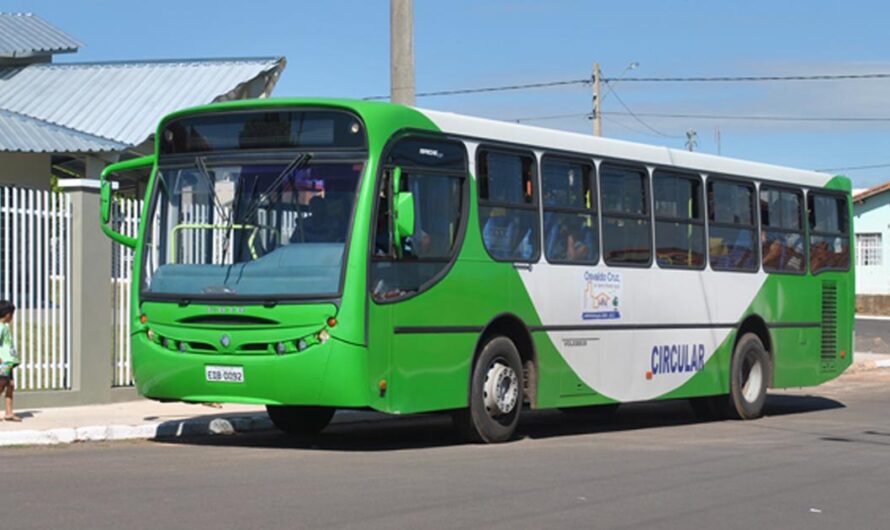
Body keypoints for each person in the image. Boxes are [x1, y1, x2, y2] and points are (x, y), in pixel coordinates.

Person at [0, 301, 21, 422]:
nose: (12, 317)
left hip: (8, 363)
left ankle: (9, 413)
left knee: (10, 386)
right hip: (4, 363)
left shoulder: (4, 327)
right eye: (12, 314)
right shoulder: (0, 327)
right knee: (1, 386)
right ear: (7, 314)